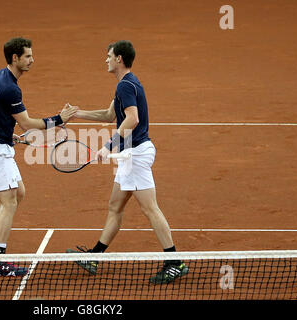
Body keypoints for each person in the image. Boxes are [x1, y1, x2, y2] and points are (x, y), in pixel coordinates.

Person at [66, 40, 188, 284]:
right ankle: (95, 257)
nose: (106, 59)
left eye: (109, 56)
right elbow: (110, 115)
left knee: (150, 208)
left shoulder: (125, 86)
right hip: (130, 155)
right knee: (115, 206)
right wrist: (78, 114)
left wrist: (107, 146)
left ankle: (175, 262)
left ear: (119, 59)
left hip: (135, 155)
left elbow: (132, 119)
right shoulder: (126, 84)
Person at [0, 37, 77, 277]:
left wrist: (6, 133)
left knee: (18, 193)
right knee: (8, 201)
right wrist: (59, 120)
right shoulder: (10, 87)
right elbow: (27, 123)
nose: (32, 60)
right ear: (15, 58)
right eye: (28, 56)